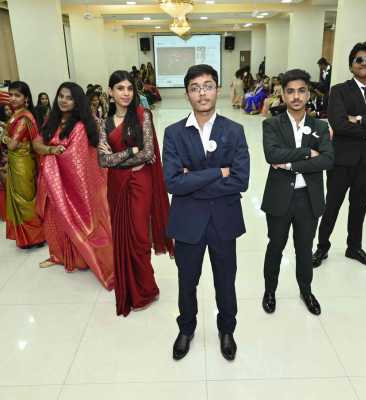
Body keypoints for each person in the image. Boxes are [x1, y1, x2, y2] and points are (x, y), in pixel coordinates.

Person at [163, 64, 250, 361]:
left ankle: (227, 330)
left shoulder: (234, 130)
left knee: (225, 281)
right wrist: (218, 172)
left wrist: (193, 180)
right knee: (187, 281)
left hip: (224, 220)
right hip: (187, 221)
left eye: (208, 86)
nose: (202, 93)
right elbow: (173, 182)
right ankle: (186, 328)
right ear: (187, 93)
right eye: (195, 88)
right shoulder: (173, 133)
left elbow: (241, 180)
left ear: (218, 89)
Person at [313, 42, 366, 268]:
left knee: (359, 207)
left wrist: (361, 119)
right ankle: (322, 246)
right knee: (332, 206)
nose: (364, 63)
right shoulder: (339, 90)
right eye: (359, 59)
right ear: (351, 64)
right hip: (342, 160)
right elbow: (339, 124)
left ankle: (354, 247)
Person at [98, 70, 173, 315]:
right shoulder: (104, 123)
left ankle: (146, 289)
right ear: (110, 92)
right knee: (122, 236)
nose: (126, 93)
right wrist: (131, 153)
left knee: (140, 236)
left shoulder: (143, 115)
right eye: (120, 88)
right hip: (116, 186)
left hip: (141, 183)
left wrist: (119, 158)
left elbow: (148, 152)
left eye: (130, 88)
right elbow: (103, 160)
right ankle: (130, 287)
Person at [261, 69, 334, 316]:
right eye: (290, 91)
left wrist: (289, 164)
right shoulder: (271, 124)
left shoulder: (320, 126)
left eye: (301, 91)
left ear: (308, 94)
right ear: (282, 94)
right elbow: (272, 155)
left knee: (304, 249)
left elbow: (327, 160)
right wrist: (306, 153)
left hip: (308, 199)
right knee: (275, 247)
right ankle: (270, 291)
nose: (296, 96)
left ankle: (306, 290)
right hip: (279, 197)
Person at [33, 82, 114, 290]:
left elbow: (74, 160)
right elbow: (37, 142)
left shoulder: (79, 127)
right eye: (61, 96)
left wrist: (51, 151)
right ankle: (59, 255)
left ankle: (80, 259)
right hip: (51, 184)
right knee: (53, 220)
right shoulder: (52, 120)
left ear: (77, 102)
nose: (64, 100)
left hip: (71, 186)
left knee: (74, 219)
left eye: (69, 98)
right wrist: (51, 151)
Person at [0, 81, 45, 248]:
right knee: (19, 200)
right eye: (10, 95)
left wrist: (2, 136)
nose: (12, 98)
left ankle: (37, 237)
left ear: (26, 98)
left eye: (17, 95)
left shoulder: (24, 117)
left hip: (23, 163)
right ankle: (26, 237)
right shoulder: (15, 114)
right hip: (15, 161)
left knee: (25, 199)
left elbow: (12, 144)